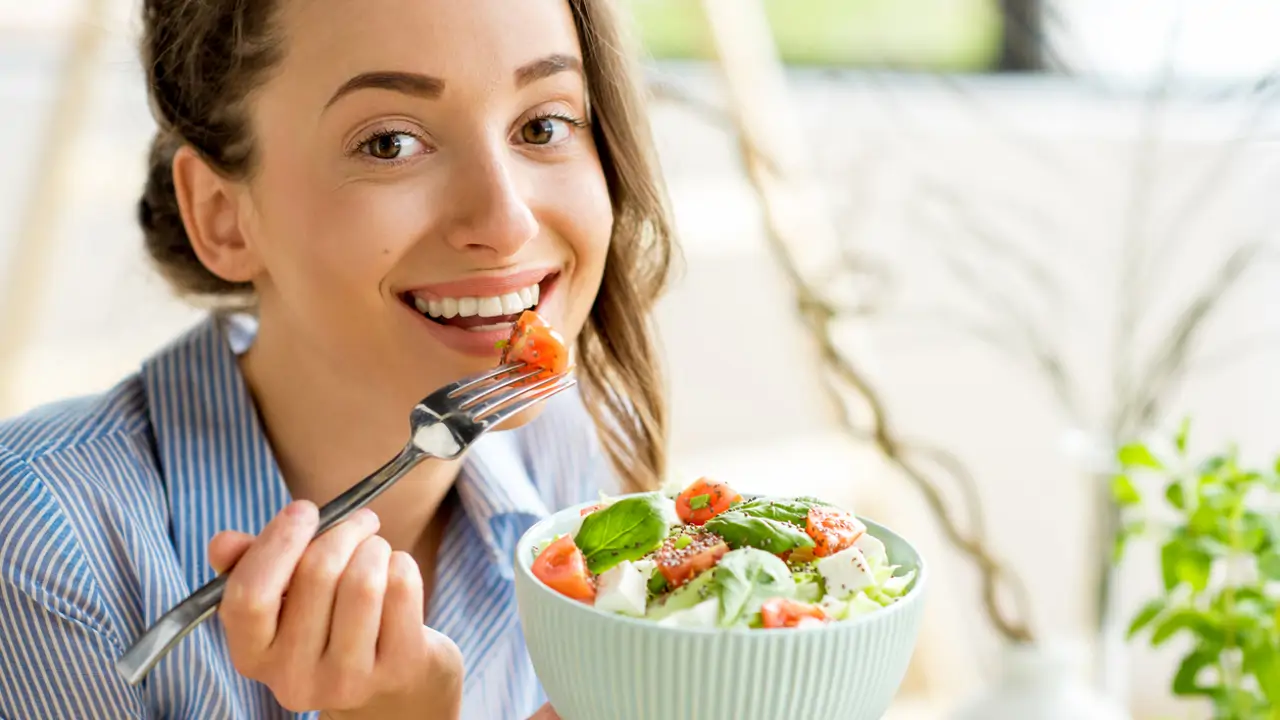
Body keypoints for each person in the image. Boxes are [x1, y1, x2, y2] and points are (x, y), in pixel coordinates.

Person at [0, 0, 674, 717]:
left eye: (543, 126)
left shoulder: (572, 447)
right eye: (389, 143)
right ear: (224, 217)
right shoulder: (43, 547)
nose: (506, 223)